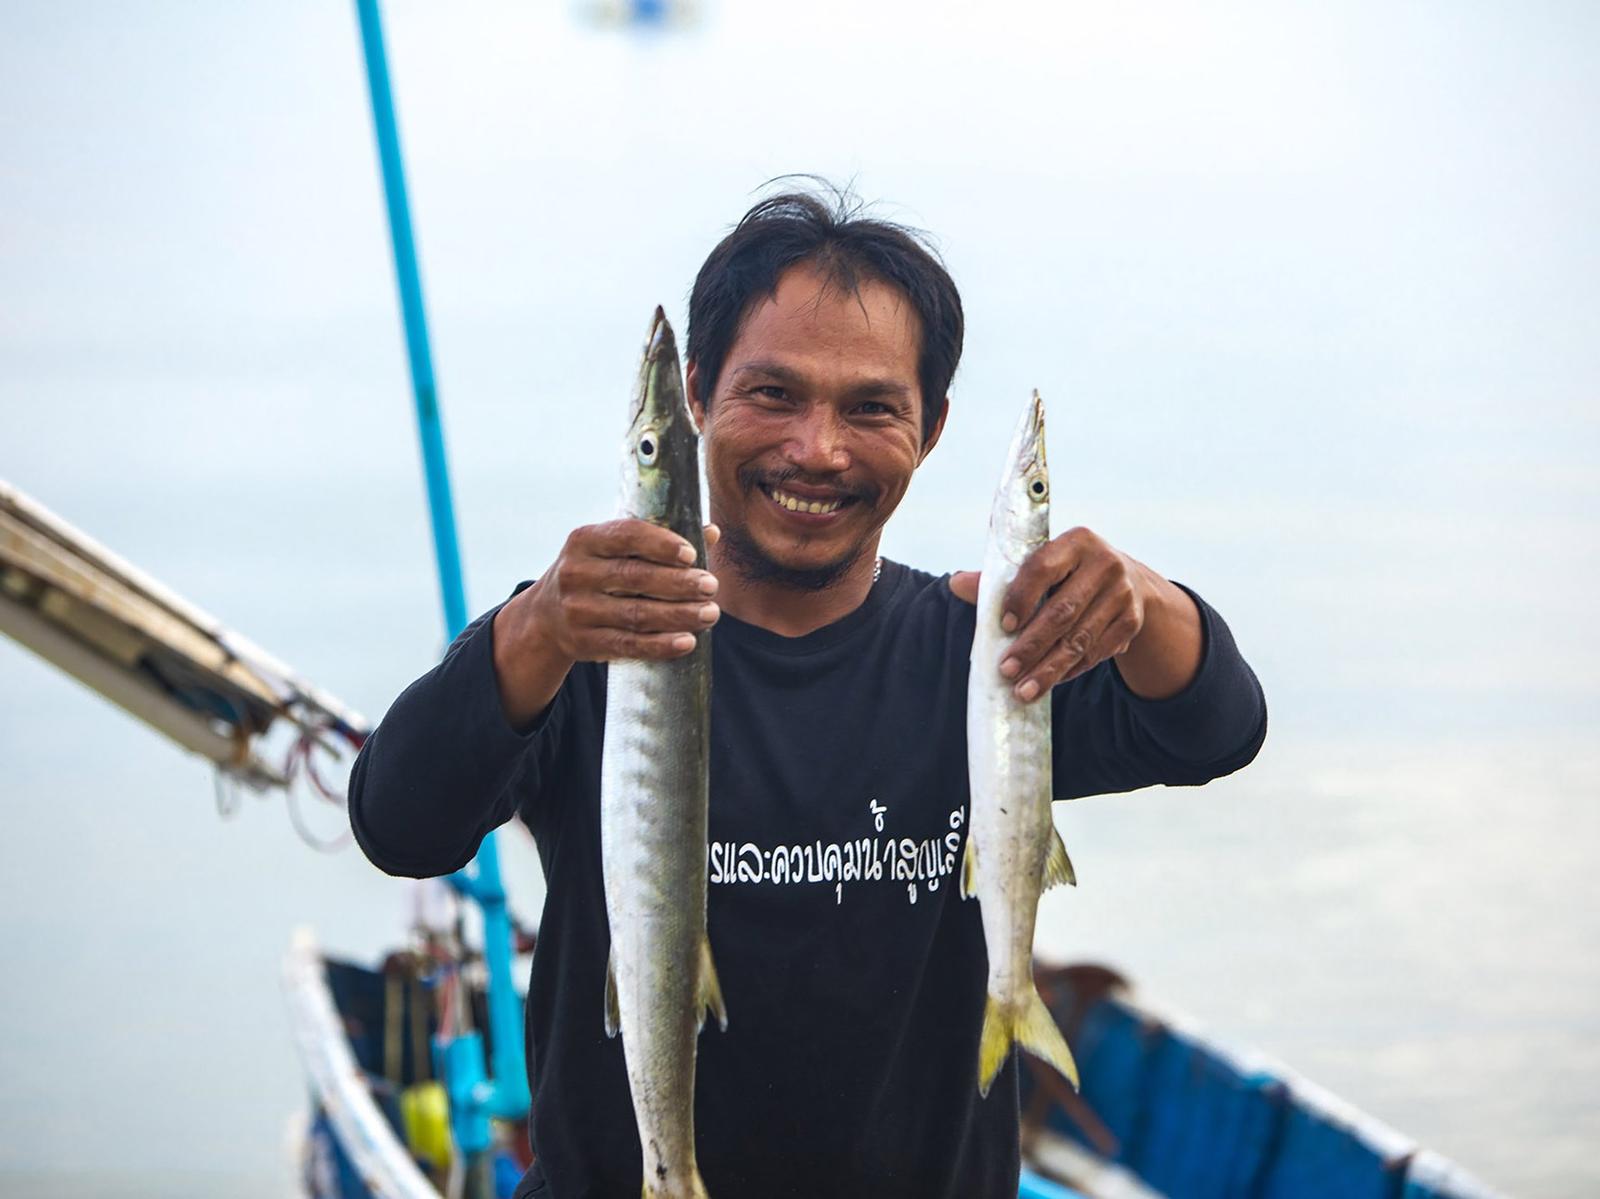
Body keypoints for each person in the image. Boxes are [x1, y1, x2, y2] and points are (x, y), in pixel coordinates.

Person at [349, 187, 1267, 1198]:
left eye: (870, 406)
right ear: (695, 394)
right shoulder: (588, 637)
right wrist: (530, 630)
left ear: (931, 427)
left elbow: (1213, 730)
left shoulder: (984, 661)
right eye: (772, 394)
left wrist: (1144, 599)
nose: (816, 449)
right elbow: (400, 822)